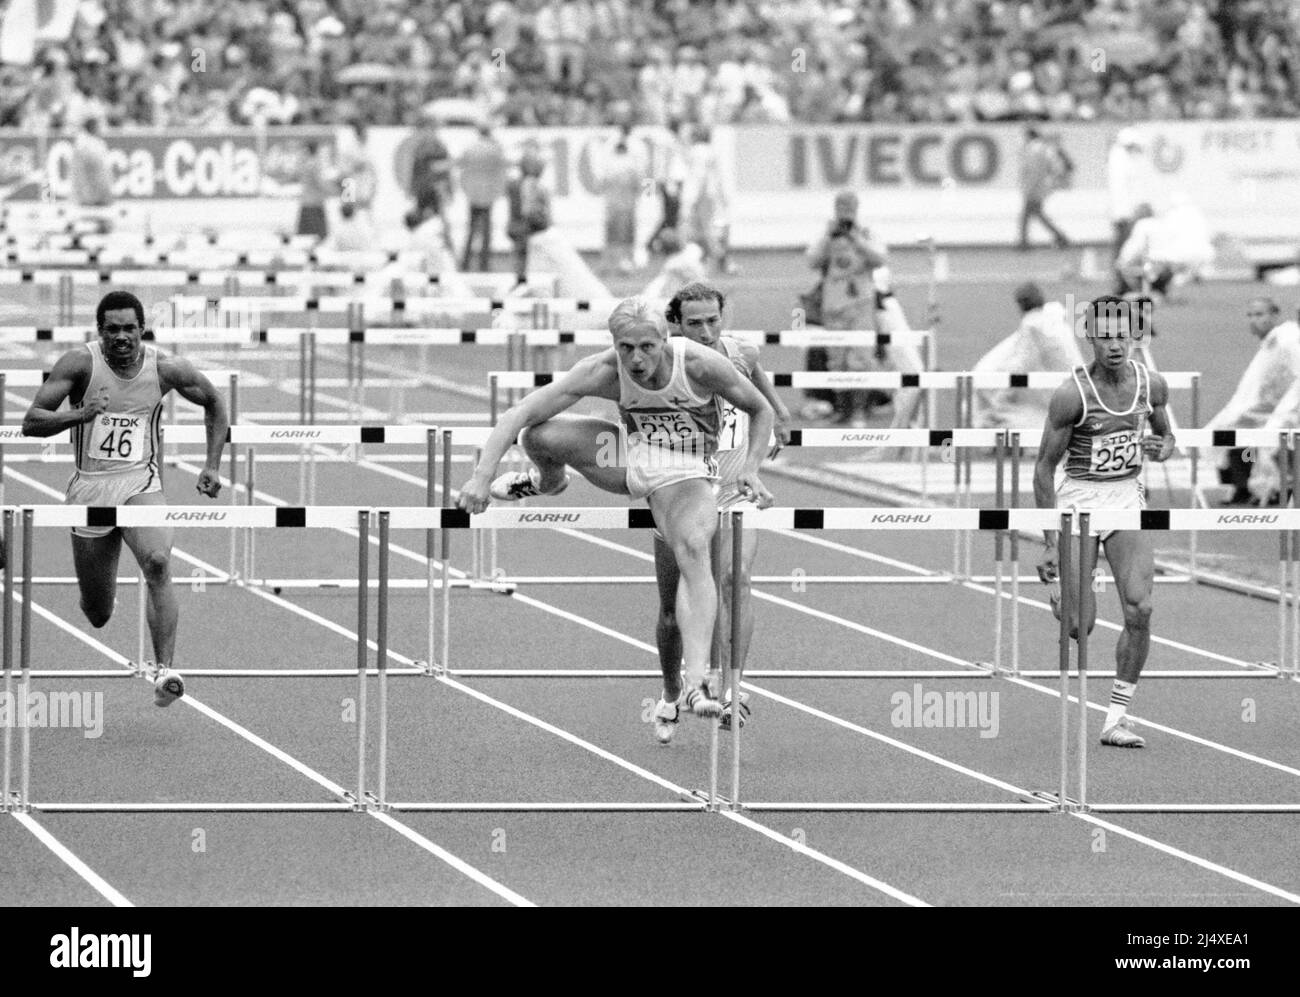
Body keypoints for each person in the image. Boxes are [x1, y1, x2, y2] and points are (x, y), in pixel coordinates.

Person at [457, 296, 776, 717]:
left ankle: (696, 681)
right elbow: (519, 412)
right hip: (627, 455)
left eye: (647, 347)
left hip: (684, 468)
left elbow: (761, 408)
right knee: (537, 435)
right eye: (626, 347)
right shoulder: (603, 370)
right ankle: (548, 482)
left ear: (666, 337)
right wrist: (481, 476)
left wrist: (751, 468)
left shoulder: (697, 365)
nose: (637, 359)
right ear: (614, 342)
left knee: (694, 552)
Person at [21, 291, 229, 707]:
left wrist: (212, 465)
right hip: (90, 490)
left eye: (129, 329)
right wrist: (79, 415)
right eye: (112, 329)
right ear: (100, 332)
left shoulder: (167, 368)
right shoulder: (79, 364)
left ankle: (165, 671)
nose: (121, 337)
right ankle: (100, 590)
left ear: (141, 330)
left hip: (140, 485)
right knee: (98, 613)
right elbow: (31, 422)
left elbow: (215, 404)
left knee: (158, 562)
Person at [650, 282, 791, 743]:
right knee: (673, 612)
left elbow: (765, 400)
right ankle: (673, 692)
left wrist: (773, 433)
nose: (707, 331)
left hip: (733, 490)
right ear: (676, 323)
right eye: (695, 323)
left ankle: (732, 689)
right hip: (681, 493)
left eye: (714, 320)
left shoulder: (741, 352)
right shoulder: (663, 360)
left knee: (736, 580)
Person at [1034, 296, 1175, 748]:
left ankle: (1115, 718)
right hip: (1078, 504)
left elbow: (1165, 433)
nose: (1115, 345)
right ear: (1090, 338)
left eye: (1123, 336)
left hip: (1125, 501)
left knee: (1141, 608)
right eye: (1105, 337)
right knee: (1080, 627)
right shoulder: (1071, 393)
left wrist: (1162, 446)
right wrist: (1050, 541)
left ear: (1135, 337)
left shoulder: (1151, 384)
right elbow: (1042, 468)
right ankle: (1064, 588)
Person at [1204, 297, 1300, 506]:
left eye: (1259, 314)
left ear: (1275, 315)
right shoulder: (1271, 342)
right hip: (1263, 409)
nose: (1253, 320)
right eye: (1250, 315)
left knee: (1260, 442)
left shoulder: (1287, 338)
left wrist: (1286, 409)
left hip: (1283, 410)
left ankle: (1273, 489)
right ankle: (1244, 486)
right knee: (1232, 434)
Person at [804, 190, 887, 426]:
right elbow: (811, 260)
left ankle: (860, 410)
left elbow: (881, 259)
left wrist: (856, 240)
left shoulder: (866, 232)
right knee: (837, 360)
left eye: (849, 205)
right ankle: (842, 409)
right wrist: (829, 237)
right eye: (841, 205)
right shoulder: (828, 232)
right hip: (833, 304)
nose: (845, 209)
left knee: (861, 358)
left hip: (860, 303)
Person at [973, 282, 1082, 429]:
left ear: (1020, 305)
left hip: (1064, 393)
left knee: (1000, 417)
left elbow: (1021, 366)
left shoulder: (1033, 325)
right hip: (1076, 388)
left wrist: (998, 400)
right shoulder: (1055, 320)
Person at [457, 121, 509, 273]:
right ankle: (484, 264)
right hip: (488, 193)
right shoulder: (495, 149)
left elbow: (463, 167)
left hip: (473, 192)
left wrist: (466, 188)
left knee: (471, 229)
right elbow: (501, 170)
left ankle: (465, 263)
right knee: (486, 230)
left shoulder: (472, 148)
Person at [1017, 125, 1071, 251]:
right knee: (1036, 214)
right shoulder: (1043, 148)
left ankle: (1024, 243)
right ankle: (1059, 237)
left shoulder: (1034, 149)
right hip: (1042, 186)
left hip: (1035, 187)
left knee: (1028, 215)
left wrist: (1029, 187)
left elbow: (1034, 171)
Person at [1106, 127, 1148, 266]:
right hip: (1124, 211)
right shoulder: (1120, 159)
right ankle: (1121, 272)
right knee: (1124, 244)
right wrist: (1127, 211)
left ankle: (1120, 271)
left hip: (1124, 210)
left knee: (1123, 243)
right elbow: (1122, 189)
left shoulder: (1121, 157)